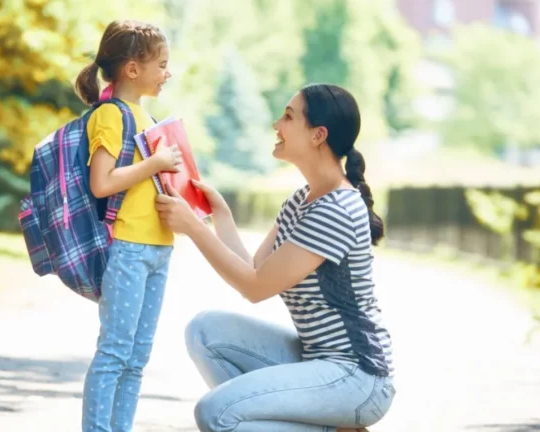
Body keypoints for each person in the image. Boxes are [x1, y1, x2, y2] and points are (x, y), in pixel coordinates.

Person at [155, 84, 395, 432]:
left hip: (357, 377)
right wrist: (219, 217)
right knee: (205, 331)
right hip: (318, 360)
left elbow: (256, 288)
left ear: (318, 135)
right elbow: (254, 270)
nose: (276, 124)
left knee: (216, 413)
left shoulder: (338, 209)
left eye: (288, 116)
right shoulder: (303, 199)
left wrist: (194, 228)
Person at [74, 19, 182, 432]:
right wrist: (154, 163)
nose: (167, 73)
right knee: (115, 352)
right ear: (133, 69)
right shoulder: (111, 115)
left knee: (138, 357)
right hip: (128, 248)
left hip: (159, 247)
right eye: (162, 64)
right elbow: (101, 184)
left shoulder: (147, 116)